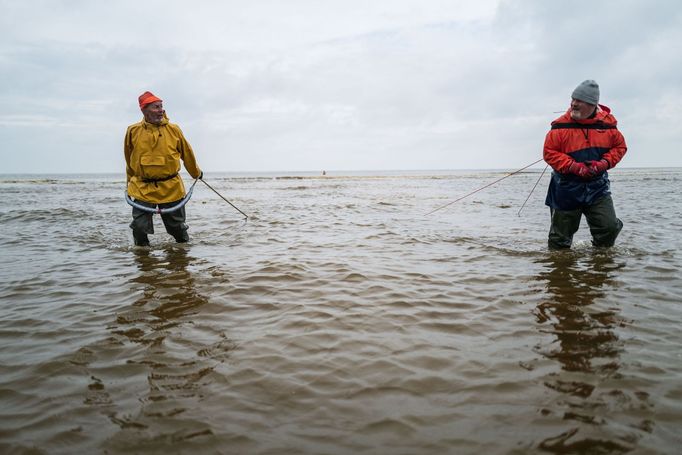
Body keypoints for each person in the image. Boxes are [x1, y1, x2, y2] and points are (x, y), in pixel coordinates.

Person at [543, 80, 627, 249]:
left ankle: (599, 267)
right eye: (573, 99)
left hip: (598, 187)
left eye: (579, 101)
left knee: (609, 228)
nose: (574, 103)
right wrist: (574, 166)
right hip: (566, 188)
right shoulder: (559, 126)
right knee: (560, 240)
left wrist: (603, 163)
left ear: (592, 105)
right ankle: (560, 271)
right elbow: (549, 152)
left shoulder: (609, 125)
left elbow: (620, 147)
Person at [124, 91, 202, 246]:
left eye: (161, 107)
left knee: (177, 229)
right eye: (156, 107)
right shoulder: (133, 131)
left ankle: (182, 255)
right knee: (139, 228)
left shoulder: (174, 129)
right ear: (144, 110)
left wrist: (196, 173)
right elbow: (129, 158)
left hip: (171, 187)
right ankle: (144, 260)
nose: (161, 110)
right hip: (142, 187)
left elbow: (187, 153)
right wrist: (129, 182)